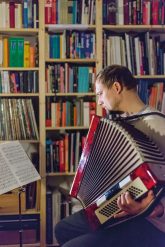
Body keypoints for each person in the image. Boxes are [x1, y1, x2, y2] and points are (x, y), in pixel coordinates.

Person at [55, 65, 165, 247]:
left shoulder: (158, 125)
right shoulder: (120, 122)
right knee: (63, 229)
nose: (98, 101)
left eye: (99, 94)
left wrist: (156, 209)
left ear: (116, 88)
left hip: (151, 222)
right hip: (123, 209)